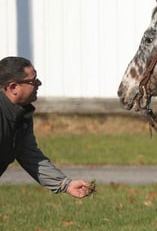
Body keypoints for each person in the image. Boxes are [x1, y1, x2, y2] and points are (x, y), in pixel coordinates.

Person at [0, 56, 93, 198]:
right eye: (33, 81)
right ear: (13, 87)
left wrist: (65, 184)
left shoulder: (21, 114)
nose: (39, 83)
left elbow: (30, 155)